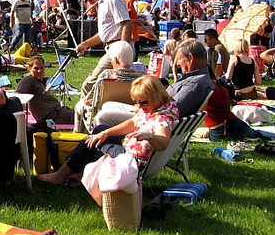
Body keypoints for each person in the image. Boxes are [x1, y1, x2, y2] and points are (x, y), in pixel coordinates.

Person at [39, 75, 178, 186]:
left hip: (132, 161)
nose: (140, 106)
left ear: (155, 96)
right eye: (137, 102)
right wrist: (105, 133)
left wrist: (150, 137)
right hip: (131, 148)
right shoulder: (161, 106)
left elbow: (164, 143)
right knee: (99, 130)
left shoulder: (163, 118)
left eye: (143, 102)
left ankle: (60, 176)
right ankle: (81, 174)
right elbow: (133, 122)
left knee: (91, 143)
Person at [75, 0, 132, 104]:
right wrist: (85, 45)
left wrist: (122, 49)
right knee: (105, 87)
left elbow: (126, 24)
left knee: (89, 85)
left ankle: (90, 116)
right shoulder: (103, 2)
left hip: (116, 48)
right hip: (112, 47)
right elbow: (105, 34)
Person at [15, 54, 73, 124]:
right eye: (36, 68)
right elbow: (18, 97)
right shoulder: (29, 80)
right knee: (81, 115)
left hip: (59, 112)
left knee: (82, 113)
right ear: (29, 69)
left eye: (41, 68)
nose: (39, 71)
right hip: (52, 116)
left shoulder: (41, 80)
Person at [166, 39, 216, 117]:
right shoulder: (198, 79)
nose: (178, 64)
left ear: (190, 58)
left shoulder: (194, 84)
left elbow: (172, 110)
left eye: (179, 59)